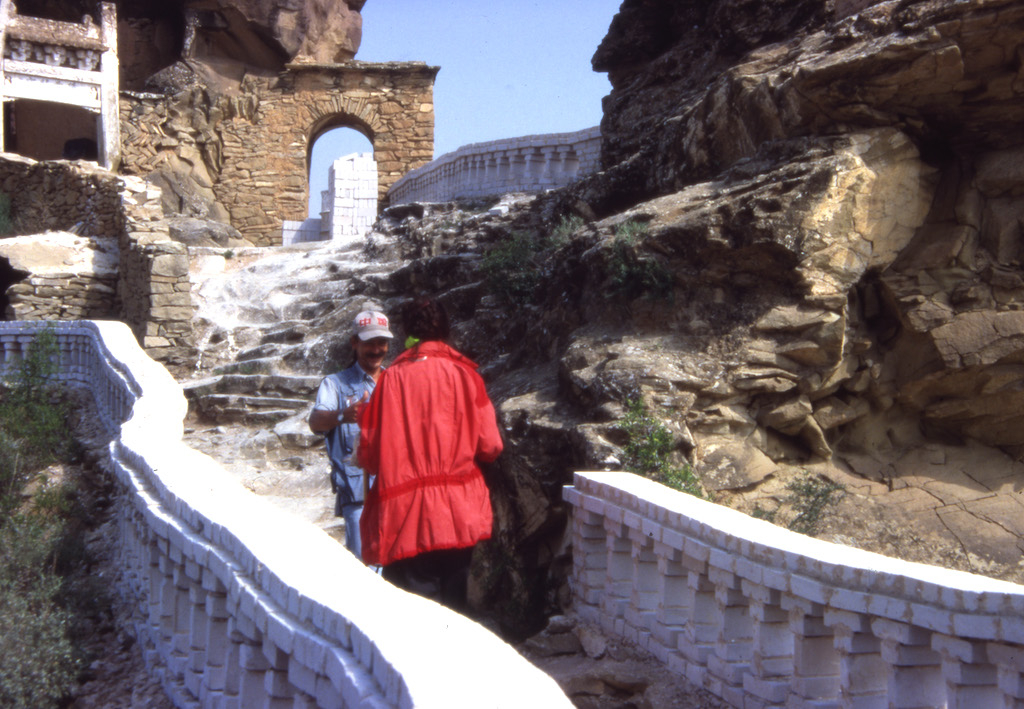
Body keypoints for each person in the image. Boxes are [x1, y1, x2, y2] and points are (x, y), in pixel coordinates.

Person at [357, 297, 503, 609]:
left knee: (412, 612)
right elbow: (490, 446)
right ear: (446, 330)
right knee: (455, 608)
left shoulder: (391, 380)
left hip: (405, 515)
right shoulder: (467, 376)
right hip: (458, 512)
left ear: (409, 332)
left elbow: (369, 456)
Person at [308, 308, 393, 558]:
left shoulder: (395, 381)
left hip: (395, 491)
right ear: (354, 343)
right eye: (369, 343)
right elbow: (315, 422)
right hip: (358, 496)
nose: (376, 350)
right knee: (366, 566)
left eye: (382, 343)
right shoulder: (334, 384)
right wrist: (342, 415)